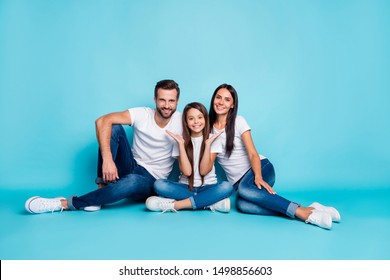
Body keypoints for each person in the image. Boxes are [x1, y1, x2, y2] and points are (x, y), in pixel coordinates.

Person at [25, 79, 183, 214]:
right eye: (162, 100)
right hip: (131, 164)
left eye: (171, 101)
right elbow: (101, 121)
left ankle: (64, 204)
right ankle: (102, 188)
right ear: (155, 99)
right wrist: (108, 160)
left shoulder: (182, 121)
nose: (167, 105)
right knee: (112, 127)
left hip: (149, 180)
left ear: (177, 101)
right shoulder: (142, 113)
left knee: (133, 180)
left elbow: (201, 131)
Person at [208, 83, 341, 229]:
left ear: (232, 105)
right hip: (241, 185)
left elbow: (253, 153)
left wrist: (258, 176)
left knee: (245, 189)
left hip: (261, 168)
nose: (221, 102)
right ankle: (307, 209)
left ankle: (305, 214)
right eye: (218, 97)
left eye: (227, 99)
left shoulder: (239, 121)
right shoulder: (207, 130)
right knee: (242, 205)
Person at [145, 102, 233, 213]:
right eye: (191, 118)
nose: (196, 122)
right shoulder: (179, 140)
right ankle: (209, 202)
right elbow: (186, 172)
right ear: (186, 122)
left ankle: (177, 204)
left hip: (209, 187)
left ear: (205, 119)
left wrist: (207, 145)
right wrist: (181, 145)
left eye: (200, 117)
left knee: (226, 187)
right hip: (185, 188)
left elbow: (204, 170)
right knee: (159, 184)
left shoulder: (213, 139)